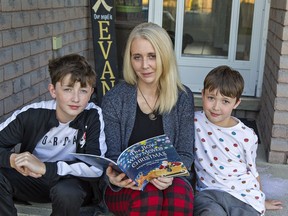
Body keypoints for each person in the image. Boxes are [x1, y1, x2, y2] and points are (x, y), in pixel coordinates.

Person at [101, 22, 195, 215]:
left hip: (170, 179)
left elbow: (185, 153)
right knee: (150, 194)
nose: (145, 66)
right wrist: (113, 176)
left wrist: (169, 174)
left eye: (152, 56)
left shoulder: (183, 97)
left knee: (178, 195)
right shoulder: (115, 98)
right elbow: (112, 155)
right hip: (127, 185)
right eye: (137, 57)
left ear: (165, 56)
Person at [0, 53, 107, 216]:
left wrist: (46, 168)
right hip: (33, 180)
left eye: (83, 91)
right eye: (68, 89)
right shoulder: (32, 114)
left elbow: (96, 168)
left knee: (67, 192)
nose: (76, 98)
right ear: (53, 90)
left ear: (91, 92)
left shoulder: (92, 115)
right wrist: (12, 159)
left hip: (70, 183)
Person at [193, 65, 283, 216]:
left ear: (236, 103)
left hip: (242, 195)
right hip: (209, 193)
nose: (216, 107)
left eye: (225, 101)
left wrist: (262, 199)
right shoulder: (195, 121)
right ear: (202, 95)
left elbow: (252, 170)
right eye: (211, 98)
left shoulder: (246, 135)